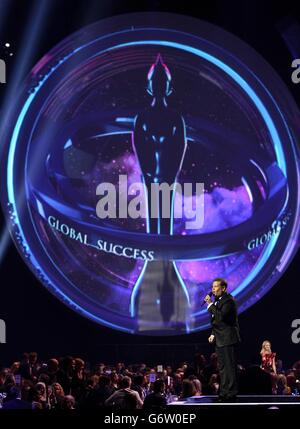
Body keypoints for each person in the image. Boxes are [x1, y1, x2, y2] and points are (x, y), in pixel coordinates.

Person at [204, 278, 240, 402]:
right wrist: (213, 334)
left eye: (216, 286)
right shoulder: (218, 302)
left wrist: (210, 305)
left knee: (229, 367)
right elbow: (217, 323)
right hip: (220, 338)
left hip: (228, 338)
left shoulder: (228, 301)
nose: (213, 289)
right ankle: (224, 392)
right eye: (212, 286)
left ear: (223, 288)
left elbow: (220, 317)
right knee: (223, 368)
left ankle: (231, 392)